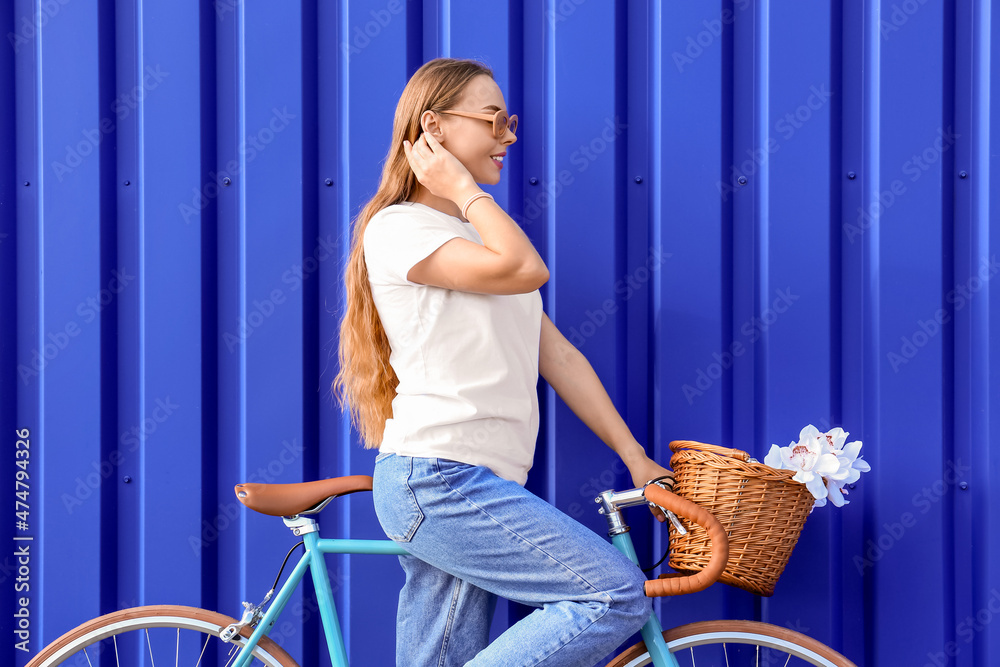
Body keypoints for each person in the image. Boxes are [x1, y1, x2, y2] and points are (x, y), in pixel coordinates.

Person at [334, 57, 673, 667]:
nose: (509, 137)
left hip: (473, 480)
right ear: (433, 128)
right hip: (438, 479)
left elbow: (561, 358)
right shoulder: (401, 229)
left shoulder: (468, 241)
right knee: (614, 594)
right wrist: (466, 192)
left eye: (510, 122)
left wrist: (634, 457)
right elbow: (526, 269)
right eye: (495, 121)